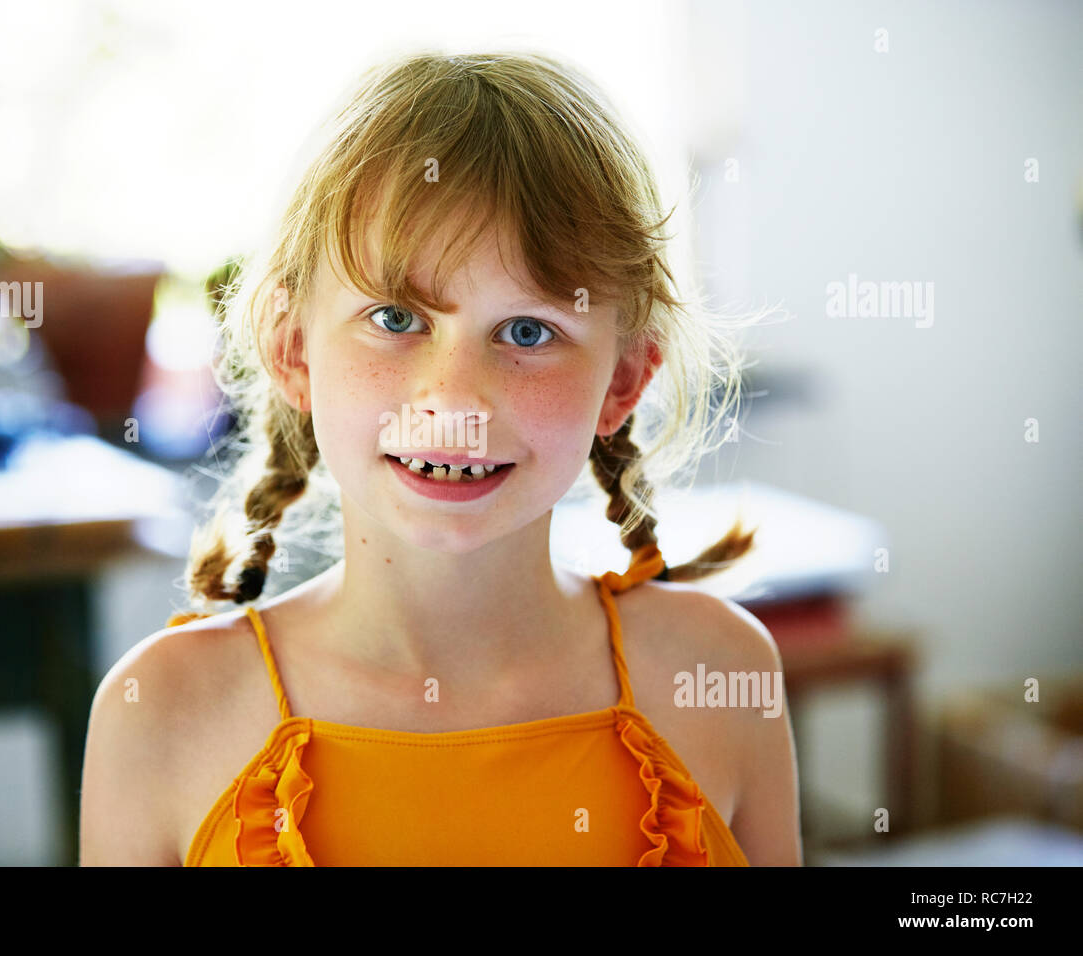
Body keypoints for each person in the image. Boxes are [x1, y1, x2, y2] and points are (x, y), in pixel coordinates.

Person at [81, 49, 801, 866]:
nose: (455, 401)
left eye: (528, 332)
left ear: (625, 379)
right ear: (293, 350)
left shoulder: (723, 677)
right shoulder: (161, 713)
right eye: (395, 318)